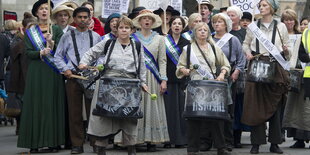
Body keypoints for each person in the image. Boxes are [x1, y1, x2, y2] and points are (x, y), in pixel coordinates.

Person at [79, 16, 147, 155]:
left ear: (132, 30)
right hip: (107, 85)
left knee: (129, 119)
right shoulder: (108, 43)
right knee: (103, 118)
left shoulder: (137, 46)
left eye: (127, 28)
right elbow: (90, 53)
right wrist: (83, 63)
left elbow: (142, 67)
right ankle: (101, 149)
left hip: (130, 87)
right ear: (116, 30)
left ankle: (131, 149)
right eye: (121, 27)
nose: (123, 30)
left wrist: (143, 83)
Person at [241, 0, 290, 154]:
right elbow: (245, 44)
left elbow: (288, 51)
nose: (261, 8)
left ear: (272, 8)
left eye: (265, 5)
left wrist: (286, 50)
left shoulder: (281, 26)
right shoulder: (253, 27)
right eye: (260, 6)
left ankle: (275, 143)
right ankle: (256, 143)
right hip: (257, 66)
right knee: (256, 106)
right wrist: (247, 53)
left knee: (275, 106)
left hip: (275, 67)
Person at [17, 0, 65, 153]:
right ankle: (34, 142)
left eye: (47, 8)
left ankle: (53, 142)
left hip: (52, 72)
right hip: (37, 71)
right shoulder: (30, 32)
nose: (44, 11)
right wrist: (40, 52)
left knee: (52, 104)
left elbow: (62, 52)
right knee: (36, 105)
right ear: (36, 12)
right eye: (41, 9)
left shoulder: (57, 29)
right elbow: (28, 53)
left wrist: (52, 44)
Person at [176, 22, 231, 155]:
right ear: (195, 33)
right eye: (199, 30)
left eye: (205, 30)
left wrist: (222, 74)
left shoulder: (214, 48)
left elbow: (225, 64)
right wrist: (184, 70)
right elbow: (179, 67)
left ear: (208, 33)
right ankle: (192, 148)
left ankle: (221, 147)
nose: (202, 32)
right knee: (193, 118)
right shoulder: (188, 49)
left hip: (212, 86)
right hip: (195, 86)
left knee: (216, 117)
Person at [54, 6, 101, 154]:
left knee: (93, 113)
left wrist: (97, 68)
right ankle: (77, 144)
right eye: (79, 17)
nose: (82, 20)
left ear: (90, 19)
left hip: (91, 78)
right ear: (74, 19)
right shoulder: (66, 36)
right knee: (74, 113)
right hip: (73, 77)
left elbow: (102, 56)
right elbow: (58, 56)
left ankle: (96, 143)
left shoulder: (96, 37)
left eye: (85, 17)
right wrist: (65, 69)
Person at [130, 10, 169, 151]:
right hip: (136, 76)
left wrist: (164, 80)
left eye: (149, 19)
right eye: (144, 19)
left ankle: (151, 140)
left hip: (153, 77)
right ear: (139, 22)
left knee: (152, 107)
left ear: (153, 22)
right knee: (136, 106)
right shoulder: (132, 38)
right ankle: (134, 139)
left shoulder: (160, 39)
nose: (146, 21)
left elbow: (162, 60)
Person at [212, 13, 246, 151]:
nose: (216, 24)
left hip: (229, 77)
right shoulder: (209, 39)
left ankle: (227, 141)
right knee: (212, 110)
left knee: (228, 110)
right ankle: (212, 140)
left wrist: (237, 72)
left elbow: (241, 59)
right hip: (212, 77)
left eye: (220, 22)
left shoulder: (233, 40)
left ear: (226, 24)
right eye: (214, 22)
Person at [281, 9, 310, 149]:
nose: (305, 26)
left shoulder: (302, 36)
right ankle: (299, 138)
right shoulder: (302, 37)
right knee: (296, 108)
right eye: (303, 24)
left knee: (306, 109)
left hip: (307, 75)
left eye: (307, 24)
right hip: (298, 74)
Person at [5, 12, 35, 135]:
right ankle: (21, 126)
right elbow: (12, 56)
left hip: (30, 76)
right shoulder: (18, 41)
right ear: (24, 29)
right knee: (21, 104)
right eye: (30, 29)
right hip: (20, 78)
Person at [163, 16, 190, 148]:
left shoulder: (187, 43)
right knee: (169, 111)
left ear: (183, 27)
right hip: (168, 80)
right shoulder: (164, 41)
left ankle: (181, 139)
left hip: (181, 81)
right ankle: (168, 139)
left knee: (181, 111)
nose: (177, 26)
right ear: (170, 25)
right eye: (174, 23)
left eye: (179, 23)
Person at [226, 5, 249, 148]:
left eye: (232, 15)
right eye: (227, 15)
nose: (229, 18)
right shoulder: (223, 32)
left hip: (241, 74)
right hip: (225, 72)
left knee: (238, 105)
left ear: (239, 17)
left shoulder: (245, 33)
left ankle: (237, 137)